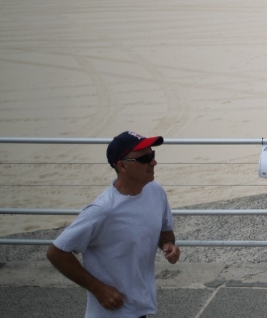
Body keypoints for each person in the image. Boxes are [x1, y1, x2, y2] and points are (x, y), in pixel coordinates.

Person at [47, 131, 180, 317]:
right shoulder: (102, 210)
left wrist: (168, 244)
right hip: (111, 313)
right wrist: (98, 289)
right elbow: (57, 252)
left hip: (141, 307)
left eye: (153, 155)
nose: (153, 162)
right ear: (122, 166)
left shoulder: (156, 192)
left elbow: (165, 231)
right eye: (145, 158)